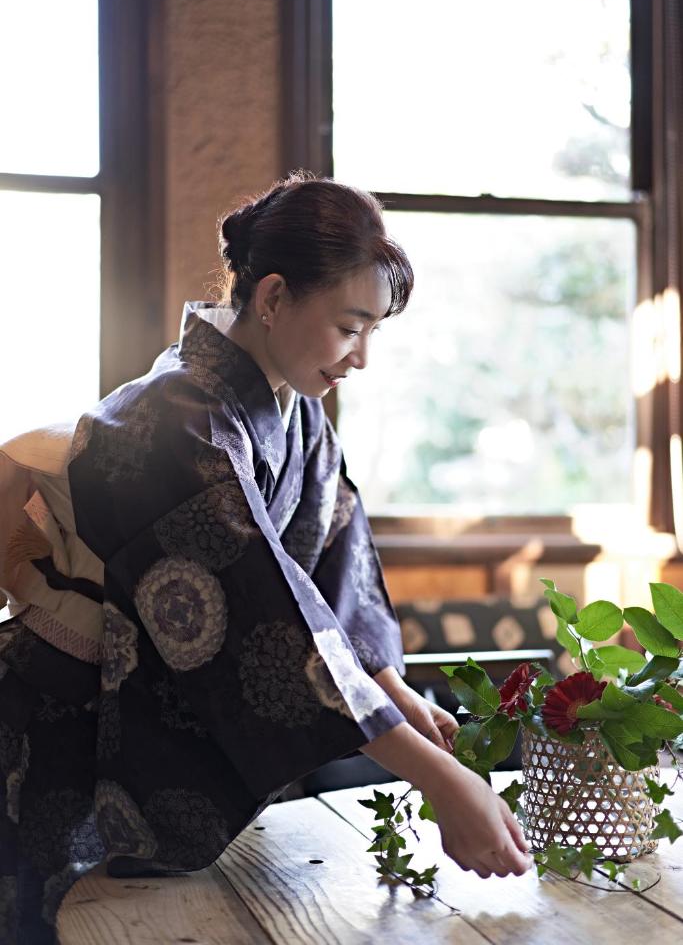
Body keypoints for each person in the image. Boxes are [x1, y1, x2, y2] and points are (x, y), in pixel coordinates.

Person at [0, 172, 531, 944]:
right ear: (275, 297)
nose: (360, 359)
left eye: (374, 332)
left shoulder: (296, 416)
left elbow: (330, 577)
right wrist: (439, 779)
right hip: (58, 725)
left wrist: (394, 690)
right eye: (351, 327)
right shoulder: (165, 422)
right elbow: (264, 626)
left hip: (122, 718)